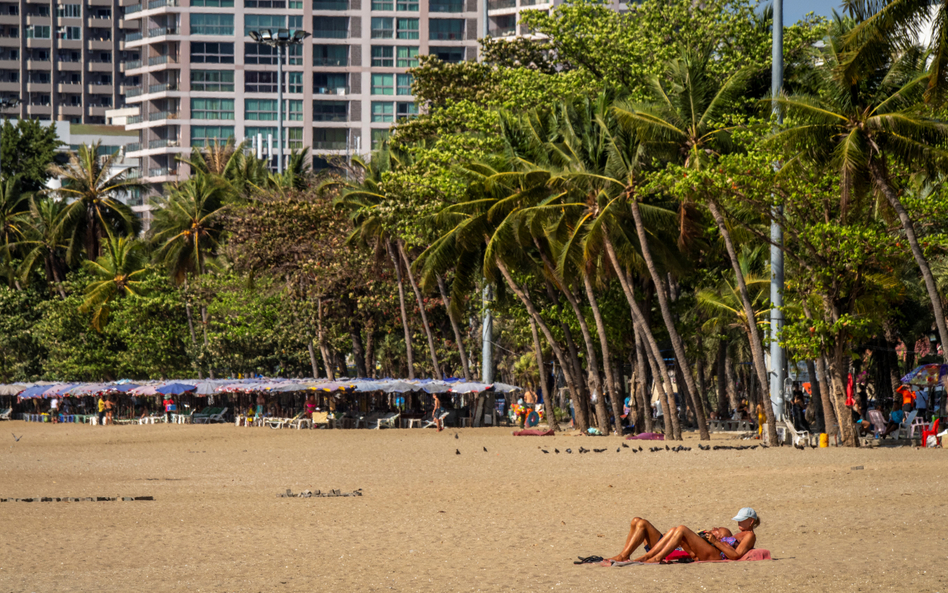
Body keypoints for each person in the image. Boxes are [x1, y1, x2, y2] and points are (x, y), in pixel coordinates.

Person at [606, 508, 759, 563]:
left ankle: (654, 557)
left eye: (742, 520)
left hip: (718, 554)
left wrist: (716, 542)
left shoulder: (749, 536)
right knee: (676, 529)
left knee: (682, 529)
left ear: (751, 521)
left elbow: (736, 556)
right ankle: (629, 555)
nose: (738, 523)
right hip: (714, 550)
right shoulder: (740, 533)